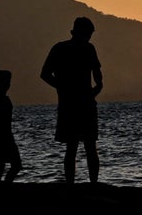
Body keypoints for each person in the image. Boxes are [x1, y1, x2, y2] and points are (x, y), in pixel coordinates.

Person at [40, 16, 103, 183]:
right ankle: (91, 184)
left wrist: (62, 87)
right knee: (86, 147)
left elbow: (45, 74)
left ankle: (73, 184)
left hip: (72, 104)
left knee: (75, 147)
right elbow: (99, 81)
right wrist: (91, 93)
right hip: (79, 105)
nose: (89, 37)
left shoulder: (62, 48)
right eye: (88, 33)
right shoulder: (86, 49)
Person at [0, 70, 22, 183]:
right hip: (0, 139)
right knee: (2, 168)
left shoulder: (0, 99)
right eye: (6, 81)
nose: (8, 84)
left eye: (9, 81)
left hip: (5, 137)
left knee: (10, 166)